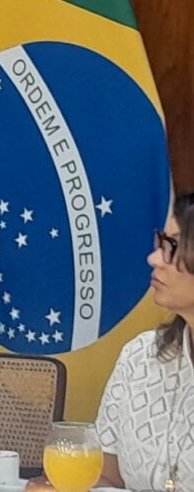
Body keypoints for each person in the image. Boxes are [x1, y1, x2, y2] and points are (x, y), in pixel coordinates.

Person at [96, 192, 194, 491]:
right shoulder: (140, 357)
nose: (154, 258)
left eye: (173, 246)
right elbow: (106, 478)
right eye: (160, 243)